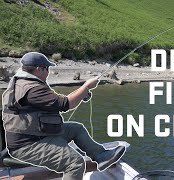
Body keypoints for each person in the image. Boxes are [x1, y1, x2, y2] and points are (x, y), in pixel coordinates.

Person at [1, 52, 126, 180]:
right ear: (39, 69)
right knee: (75, 163)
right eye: (47, 68)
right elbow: (66, 104)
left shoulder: (23, 82)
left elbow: (56, 101)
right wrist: (87, 86)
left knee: (76, 129)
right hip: (28, 145)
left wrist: (82, 93)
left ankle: (101, 156)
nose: (48, 72)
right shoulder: (32, 89)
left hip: (35, 136)